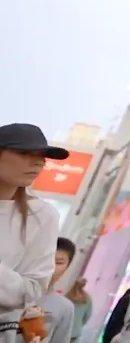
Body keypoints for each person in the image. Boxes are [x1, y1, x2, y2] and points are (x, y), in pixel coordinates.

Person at [0, 123, 67, 343]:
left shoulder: (43, 217)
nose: (37, 162)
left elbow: (32, 290)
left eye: (42, 156)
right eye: (24, 153)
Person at [32, 238, 80, 343]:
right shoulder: (14, 291)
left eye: (59, 263)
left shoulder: (65, 307)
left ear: (67, 267)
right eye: (47, 260)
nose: (51, 267)